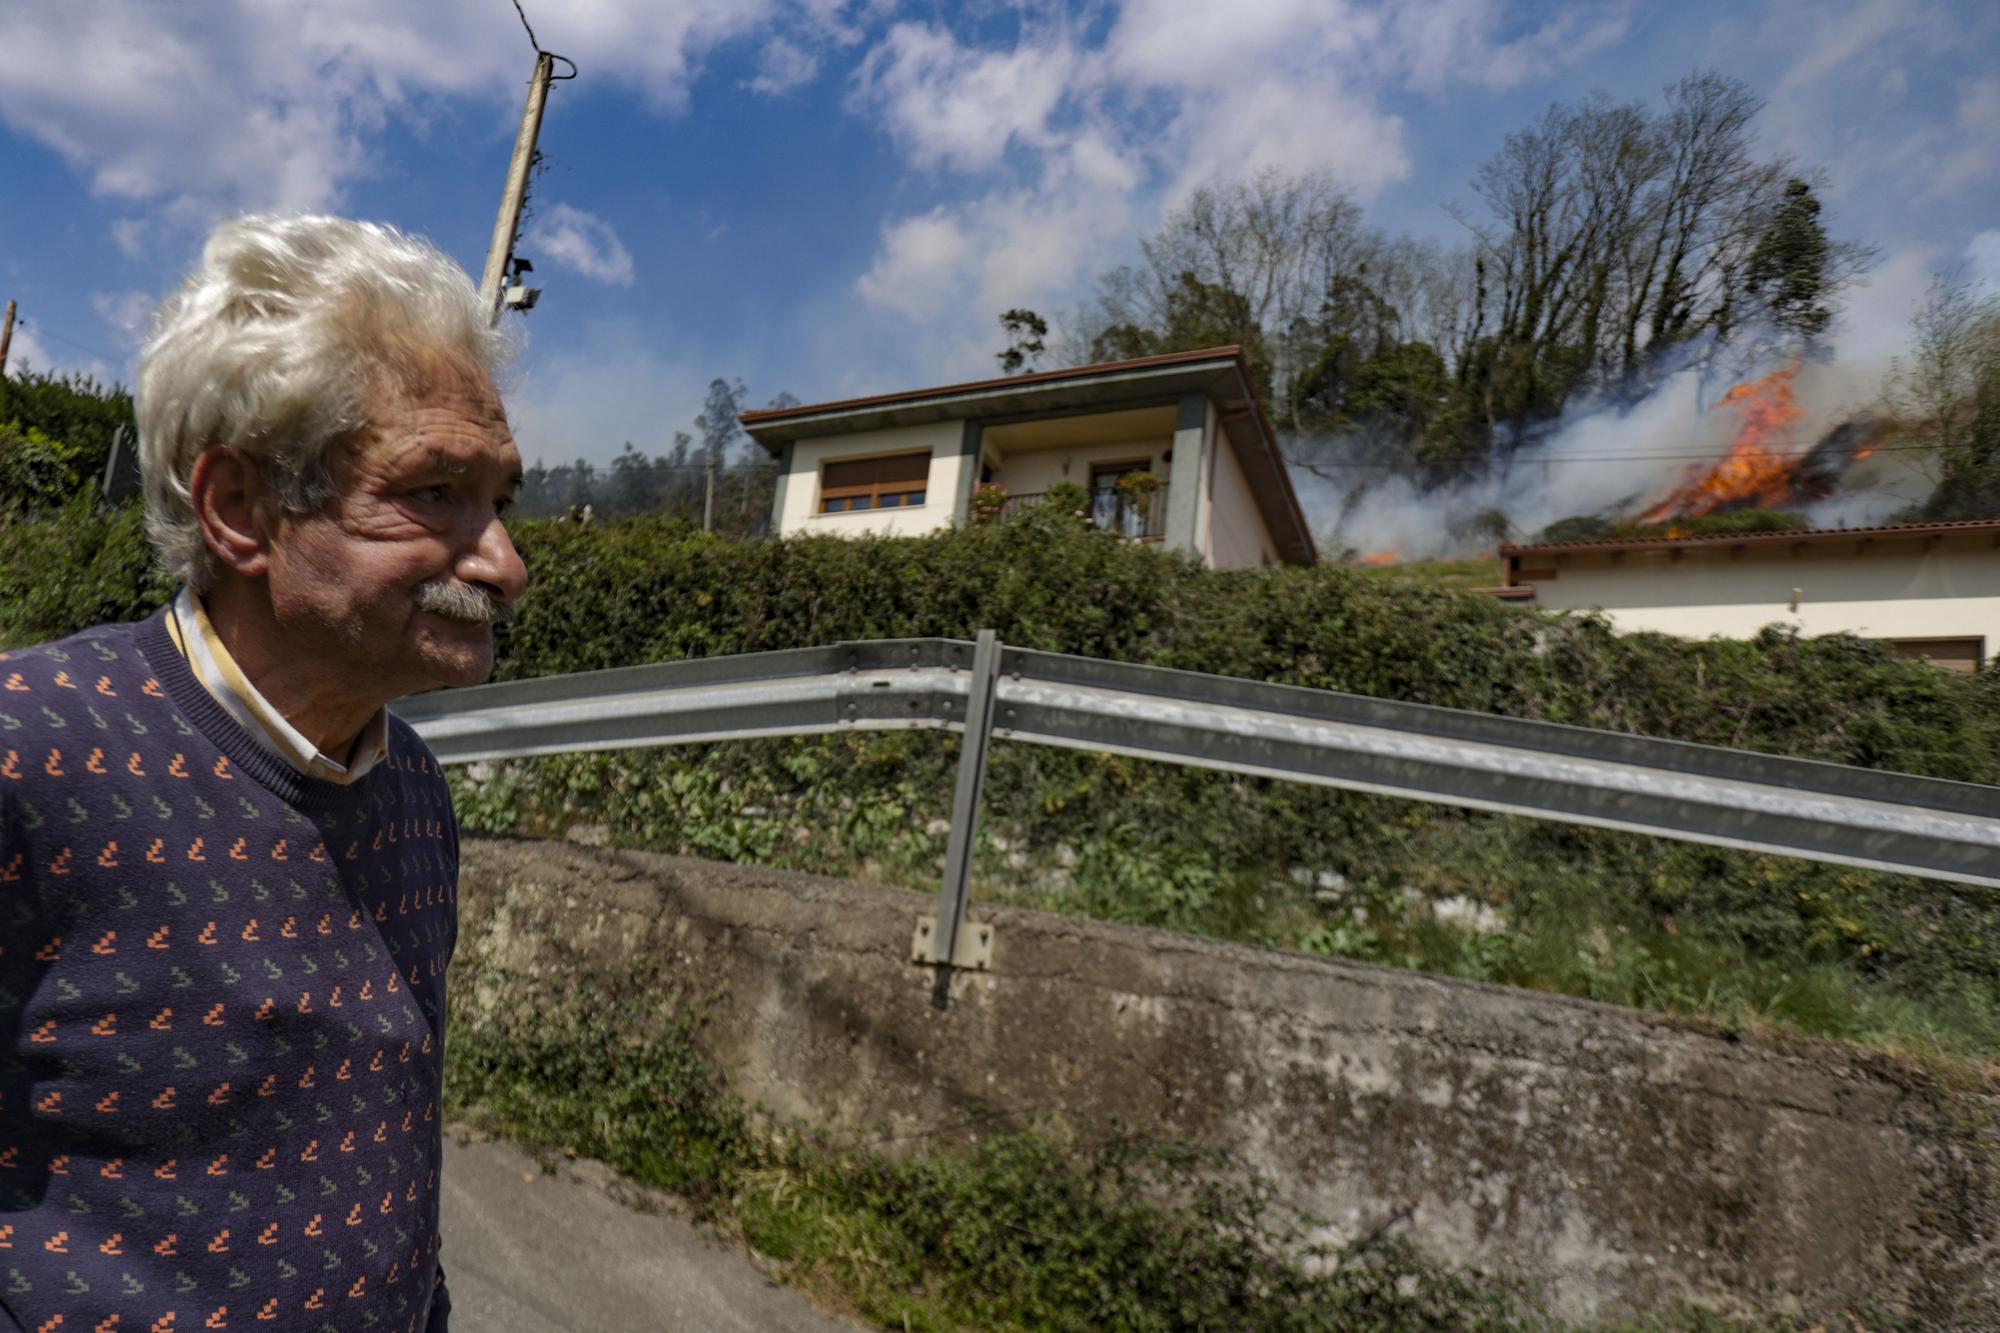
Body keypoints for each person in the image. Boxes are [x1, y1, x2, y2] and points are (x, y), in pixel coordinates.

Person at [0, 215, 527, 1331]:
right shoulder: (31, 752)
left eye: (501, 500)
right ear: (239, 508)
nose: (504, 563)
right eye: (433, 492)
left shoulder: (413, 789)